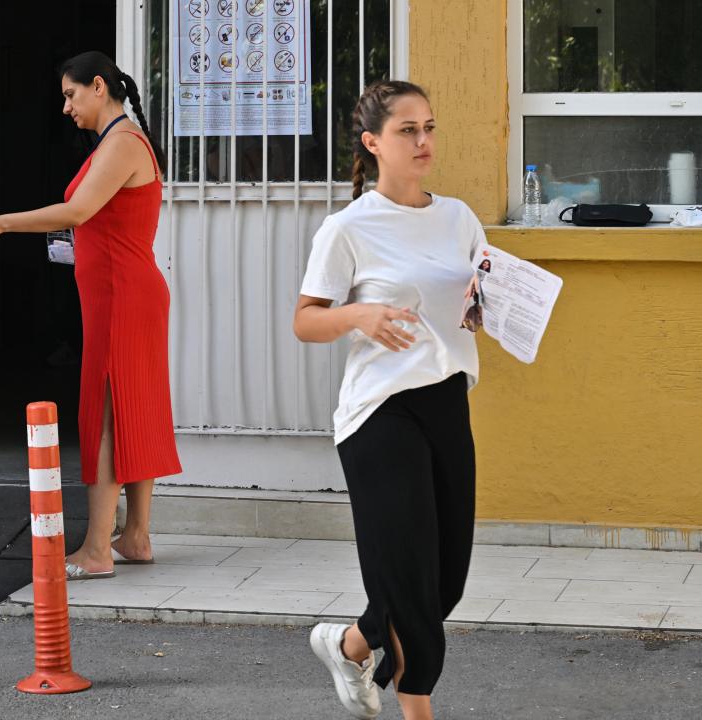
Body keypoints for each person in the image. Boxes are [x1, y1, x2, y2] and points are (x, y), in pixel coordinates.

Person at [293, 80, 482, 720]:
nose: (423, 140)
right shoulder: (348, 227)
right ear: (373, 143)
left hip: (446, 399)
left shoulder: (458, 217)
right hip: (380, 411)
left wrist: (495, 310)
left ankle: (349, 644)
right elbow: (305, 320)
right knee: (408, 582)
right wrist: (360, 315)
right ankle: (416, 705)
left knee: (444, 581)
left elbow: (478, 300)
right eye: (408, 130)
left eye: (429, 127)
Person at [0, 51, 181, 579]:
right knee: (131, 407)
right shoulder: (120, 141)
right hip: (125, 293)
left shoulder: (121, 143)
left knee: (108, 411)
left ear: (98, 86)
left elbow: (78, 211)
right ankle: (135, 536)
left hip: (122, 295)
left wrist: (0, 223)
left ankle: (98, 549)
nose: (66, 107)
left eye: (70, 95)